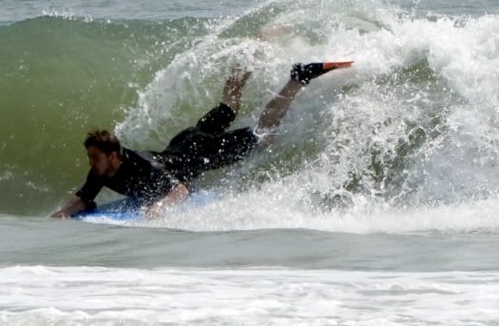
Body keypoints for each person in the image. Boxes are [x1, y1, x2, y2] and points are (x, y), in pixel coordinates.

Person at [50, 61, 350, 219]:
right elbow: (84, 197)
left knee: (263, 133)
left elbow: (180, 188)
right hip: (185, 140)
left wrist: (160, 207)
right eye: (90, 157)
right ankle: (246, 60)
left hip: (200, 151)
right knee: (228, 109)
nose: (91, 163)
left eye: (95, 157)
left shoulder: (142, 165)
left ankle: (298, 77)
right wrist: (64, 212)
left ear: (114, 156)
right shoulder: (100, 172)